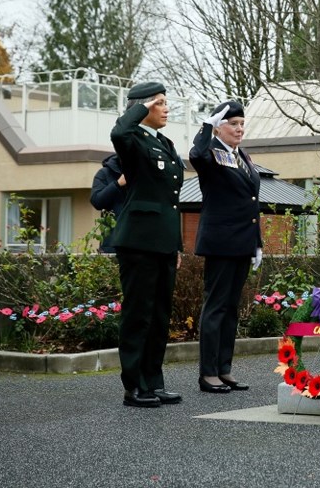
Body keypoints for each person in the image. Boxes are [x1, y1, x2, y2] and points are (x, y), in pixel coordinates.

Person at [110, 81, 186, 408]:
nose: (166, 108)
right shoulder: (133, 140)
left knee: (159, 317)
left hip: (164, 243)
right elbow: (118, 133)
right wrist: (139, 107)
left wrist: (177, 244)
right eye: (159, 102)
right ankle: (135, 386)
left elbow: (171, 201)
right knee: (138, 315)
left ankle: (154, 381)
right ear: (142, 107)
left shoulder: (165, 143)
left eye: (166, 102)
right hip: (139, 242)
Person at [189, 101, 263, 394]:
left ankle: (224, 368)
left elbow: (251, 202)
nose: (239, 129)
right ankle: (208, 373)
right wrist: (206, 125)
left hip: (242, 242)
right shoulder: (210, 153)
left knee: (231, 309)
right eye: (232, 123)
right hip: (221, 242)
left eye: (242, 123)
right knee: (216, 307)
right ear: (219, 126)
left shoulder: (240, 154)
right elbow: (195, 154)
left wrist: (257, 242)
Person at [89, 153, 126, 253]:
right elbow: (96, 201)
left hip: (140, 246)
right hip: (112, 245)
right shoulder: (104, 173)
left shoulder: (143, 176)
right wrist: (117, 184)